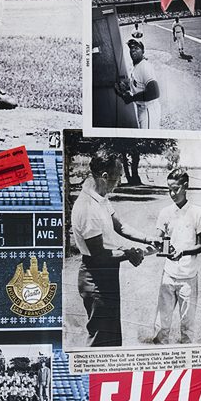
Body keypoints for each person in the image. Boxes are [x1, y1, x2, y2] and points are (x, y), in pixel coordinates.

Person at [71, 147, 146, 347]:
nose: (120, 181)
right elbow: (99, 255)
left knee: (111, 337)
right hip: (96, 276)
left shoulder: (100, 197)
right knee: (99, 339)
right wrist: (129, 254)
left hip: (107, 274)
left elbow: (119, 226)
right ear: (105, 176)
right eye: (118, 176)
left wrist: (148, 238)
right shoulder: (88, 208)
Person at [125, 166, 201, 345]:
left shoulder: (197, 213)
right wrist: (142, 253)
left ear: (185, 186)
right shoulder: (165, 213)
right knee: (162, 325)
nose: (172, 193)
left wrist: (182, 252)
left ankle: (187, 364)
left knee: (188, 326)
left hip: (188, 279)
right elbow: (157, 242)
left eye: (175, 189)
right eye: (169, 189)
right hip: (168, 277)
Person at [116, 37, 161, 129]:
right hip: (143, 109)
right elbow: (138, 85)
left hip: (149, 109)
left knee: (148, 138)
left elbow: (154, 92)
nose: (133, 50)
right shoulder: (136, 66)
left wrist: (132, 98)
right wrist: (126, 89)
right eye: (131, 48)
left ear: (143, 51)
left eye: (136, 48)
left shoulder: (144, 67)